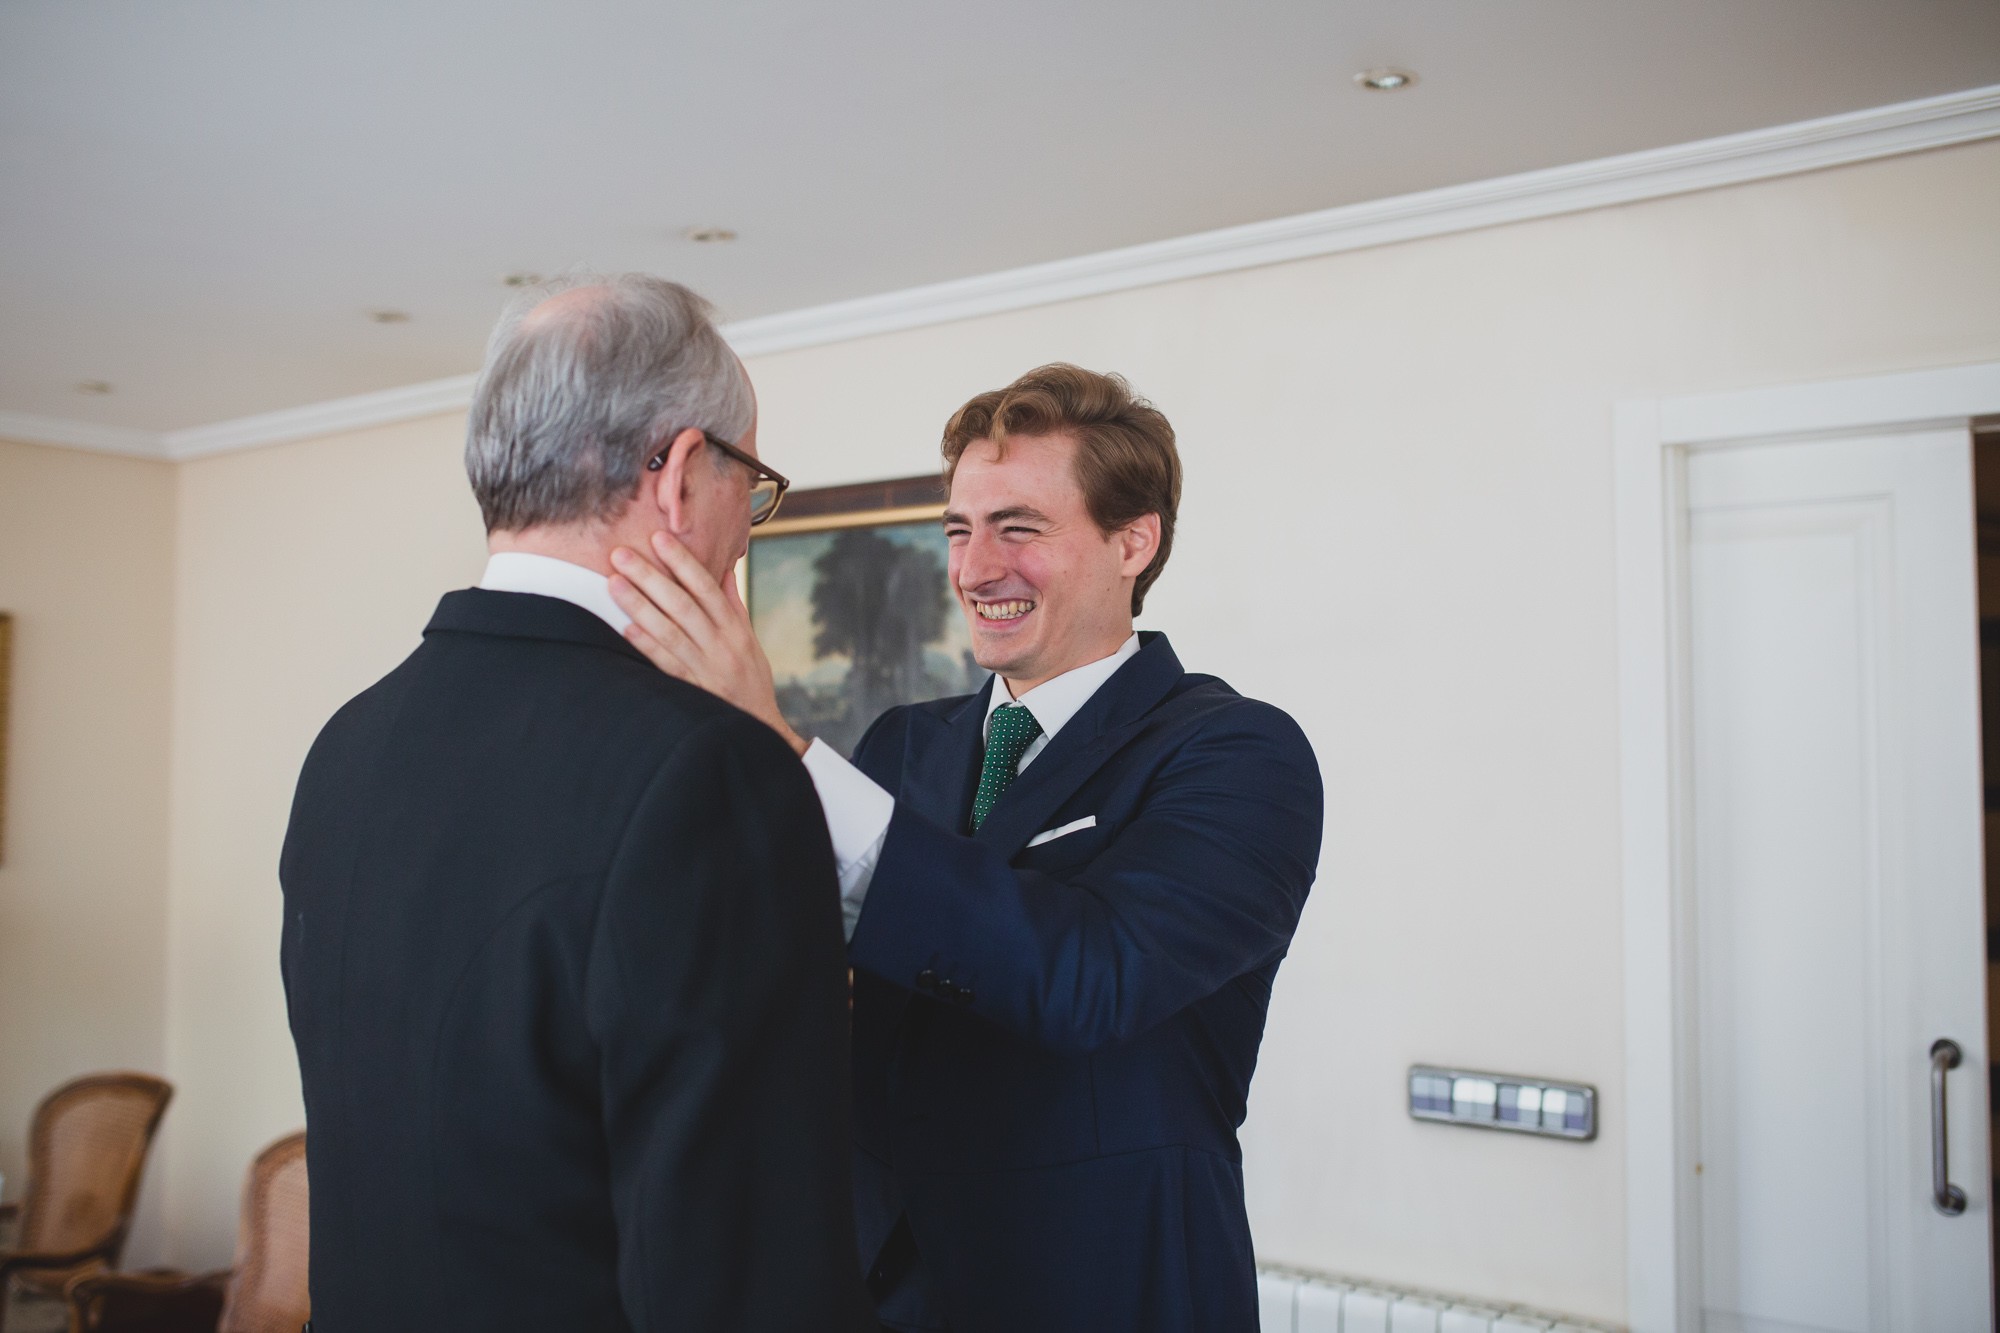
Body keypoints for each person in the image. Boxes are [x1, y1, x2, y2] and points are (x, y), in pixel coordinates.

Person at [608, 363, 1325, 1333]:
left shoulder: (1236, 753)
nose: (975, 568)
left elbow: (1089, 976)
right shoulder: (903, 742)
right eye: (959, 529)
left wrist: (776, 746)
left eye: (1017, 528)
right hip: (874, 1292)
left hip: (1102, 1294)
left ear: (1133, 540)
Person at [279, 274, 875, 1333]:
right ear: (684, 470)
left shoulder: (346, 746)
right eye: (752, 481)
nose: (746, 527)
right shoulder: (713, 768)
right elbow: (746, 1267)